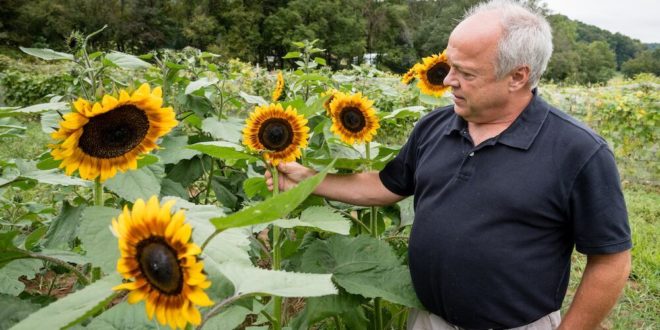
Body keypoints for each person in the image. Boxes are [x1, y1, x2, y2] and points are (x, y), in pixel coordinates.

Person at [265, 0, 632, 329]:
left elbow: (611, 260)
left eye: (466, 73)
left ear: (517, 76)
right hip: (427, 320)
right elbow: (384, 186)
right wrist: (309, 180)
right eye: (450, 65)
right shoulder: (435, 126)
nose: (449, 80)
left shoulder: (577, 151)